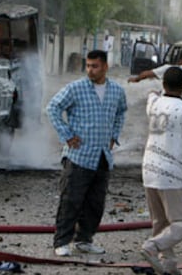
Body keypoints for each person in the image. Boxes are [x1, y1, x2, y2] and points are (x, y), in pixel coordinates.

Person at [47, 50, 127, 257]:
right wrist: (66, 134)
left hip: (102, 156)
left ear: (105, 67)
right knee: (71, 200)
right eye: (88, 66)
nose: (90, 70)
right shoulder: (76, 88)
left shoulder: (116, 91)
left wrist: (113, 136)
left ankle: (84, 239)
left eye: (95, 66)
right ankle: (61, 242)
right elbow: (53, 108)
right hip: (79, 155)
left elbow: (121, 112)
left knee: (95, 202)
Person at [140, 66, 182, 275]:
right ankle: (152, 247)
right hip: (173, 174)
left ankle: (168, 266)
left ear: (164, 85)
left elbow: (150, 94)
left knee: (160, 222)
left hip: (149, 170)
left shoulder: (154, 104)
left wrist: (153, 88)